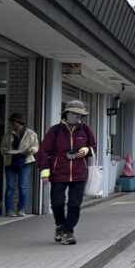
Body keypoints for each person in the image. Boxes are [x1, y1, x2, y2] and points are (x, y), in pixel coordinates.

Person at [38, 100, 96, 246]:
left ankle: (68, 231)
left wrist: (86, 150)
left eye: (80, 115)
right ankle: (60, 225)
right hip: (58, 172)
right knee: (57, 203)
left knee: (74, 205)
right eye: (75, 114)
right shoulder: (55, 131)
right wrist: (45, 173)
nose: (78, 117)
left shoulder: (86, 129)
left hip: (79, 173)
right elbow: (44, 151)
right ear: (66, 114)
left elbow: (93, 146)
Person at [3, 113, 38, 217]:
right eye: (12, 121)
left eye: (14, 121)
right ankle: (9, 209)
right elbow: (3, 146)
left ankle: (21, 209)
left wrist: (31, 150)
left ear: (19, 123)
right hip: (10, 162)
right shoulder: (8, 134)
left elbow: (36, 146)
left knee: (22, 187)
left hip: (25, 161)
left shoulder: (31, 133)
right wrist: (4, 150)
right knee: (10, 187)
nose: (12, 123)